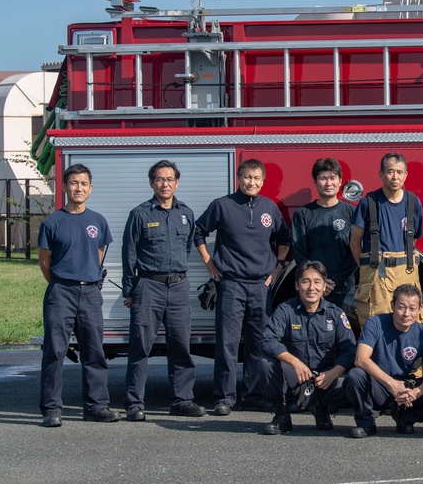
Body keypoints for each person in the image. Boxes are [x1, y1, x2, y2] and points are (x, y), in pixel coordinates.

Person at [195, 158, 291, 416]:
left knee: (259, 343)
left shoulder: (269, 208)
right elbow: (198, 232)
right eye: (248, 177)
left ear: (263, 181)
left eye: (257, 178)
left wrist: (278, 268)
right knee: (227, 343)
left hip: (261, 286)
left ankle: (253, 395)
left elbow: (284, 238)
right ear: (239, 178)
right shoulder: (222, 205)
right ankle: (224, 397)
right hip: (231, 285)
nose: (252, 182)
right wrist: (210, 264)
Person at [121, 160, 206, 422]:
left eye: (170, 179)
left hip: (179, 286)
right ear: (151, 183)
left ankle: (182, 400)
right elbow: (129, 254)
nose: (165, 183)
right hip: (149, 286)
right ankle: (135, 403)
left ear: (177, 182)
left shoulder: (186, 213)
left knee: (180, 345)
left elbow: (187, 250)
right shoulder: (140, 214)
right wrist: (130, 289)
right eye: (159, 179)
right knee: (140, 347)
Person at [37, 163, 118, 427]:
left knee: (94, 352)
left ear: (90, 188)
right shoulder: (52, 222)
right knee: (55, 352)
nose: (78, 188)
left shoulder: (98, 221)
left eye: (83, 184)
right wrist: (63, 283)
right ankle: (51, 409)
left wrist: (86, 281)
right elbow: (44, 262)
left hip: (90, 293)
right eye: (73, 183)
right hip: (61, 292)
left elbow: (97, 256)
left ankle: (96, 406)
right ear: (64, 187)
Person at [345, 284, 423, 437]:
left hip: (407, 387)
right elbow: (361, 359)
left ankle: (405, 418)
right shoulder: (375, 323)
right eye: (401, 307)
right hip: (381, 385)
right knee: (355, 375)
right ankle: (366, 423)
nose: (406, 314)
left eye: (412, 308)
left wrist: (416, 392)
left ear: (420, 309)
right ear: (392, 306)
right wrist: (391, 383)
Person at [261, 261, 356, 435]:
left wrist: (333, 373)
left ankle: (322, 409)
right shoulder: (285, 310)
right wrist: (295, 362)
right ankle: (281, 415)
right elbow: (268, 340)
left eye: (317, 282)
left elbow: (349, 350)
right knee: (266, 364)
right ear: (297, 285)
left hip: (325, 378)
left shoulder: (335, 314)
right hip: (297, 376)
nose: (311, 287)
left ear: (324, 286)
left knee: (352, 379)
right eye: (306, 282)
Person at [350, 153, 423, 326]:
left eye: (400, 172)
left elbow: (413, 241)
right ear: (381, 174)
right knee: (376, 326)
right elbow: (354, 243)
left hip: (406, 273)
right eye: (390, 171)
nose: (395, 176)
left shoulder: (414, 202)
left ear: (406, 175)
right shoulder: (368, 203)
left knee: (410, 324)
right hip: (376, 275)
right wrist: (368, 268)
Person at [292, 157, 358, 311]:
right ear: (315, 182)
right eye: (323, 178)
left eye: (332, 178)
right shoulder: (303, 214)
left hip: (344, 289)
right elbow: (299, 251)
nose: (328, 183)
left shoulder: (352, 213)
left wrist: (335, 280)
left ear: (341, 181)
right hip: (312, 289)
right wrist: (318, 281)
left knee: (343, 333)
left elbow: (356, 251)